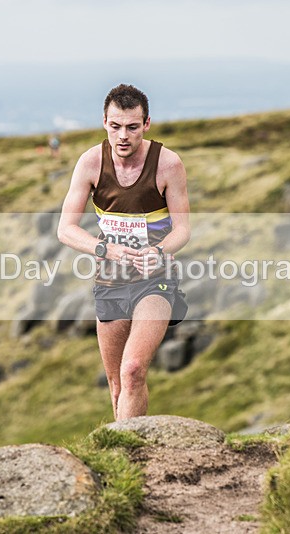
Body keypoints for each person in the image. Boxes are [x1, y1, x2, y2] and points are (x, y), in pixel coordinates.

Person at [57, 84, 190, 420]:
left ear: (146, 124)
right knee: (116, 384)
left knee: (133, 370)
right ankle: (124, 459)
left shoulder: (168, 164)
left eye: (132, 127)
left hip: (155, 280)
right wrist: (104, 249)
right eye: (115, 126)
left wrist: (158, 253)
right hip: (110, 281)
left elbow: (183, 229)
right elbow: (65, 229)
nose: (123, 136)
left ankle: (133, 452)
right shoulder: (89, 163)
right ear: (104, 122)